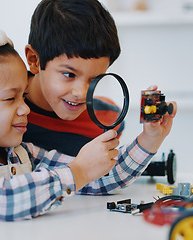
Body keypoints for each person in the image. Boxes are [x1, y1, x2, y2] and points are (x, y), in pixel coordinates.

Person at [0, 16, 139, 239]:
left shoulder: (22, 153)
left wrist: (148, 141)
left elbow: (99, 177)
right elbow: (1, 201)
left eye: (24, 96)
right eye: (11, 99)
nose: (25, 109)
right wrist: (78, 171)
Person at [23, 0, 177, 184]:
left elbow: (100, 179)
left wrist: (150, 139)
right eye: (68, 74)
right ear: (34, 60)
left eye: (94, 79)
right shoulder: (5, 113)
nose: (81, 93)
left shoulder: (107, 118)